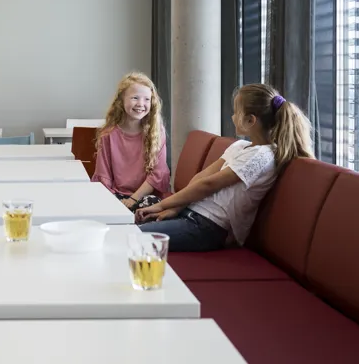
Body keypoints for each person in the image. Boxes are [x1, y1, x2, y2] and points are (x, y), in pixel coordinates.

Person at [136, 83, 313, 252]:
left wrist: (161, 205)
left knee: (131, 238)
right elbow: (201, 178)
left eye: (236, 112)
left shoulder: (263, 156)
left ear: (251, 120)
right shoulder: (240, 147)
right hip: (190, 213)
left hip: (208, 227)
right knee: (130, 230)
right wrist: (174, 208)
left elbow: (209, 185)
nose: (232, 117)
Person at [91, 72, 169, 212]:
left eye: (147, 99)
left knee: (150, 206)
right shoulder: (108, 135)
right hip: (116, 194)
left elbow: (157, 175)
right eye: (135, 98)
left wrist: (133, 199)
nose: (141, 104)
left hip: (146, 196)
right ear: (121, 100)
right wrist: (115, 201)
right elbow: (104, 177)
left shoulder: (157, 133)